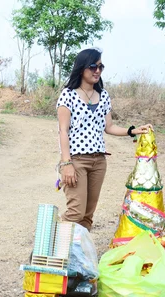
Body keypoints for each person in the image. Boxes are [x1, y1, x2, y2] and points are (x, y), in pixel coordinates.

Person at [56, 48, 152, 231]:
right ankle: (49, 248)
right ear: (81, 68)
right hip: (77, 160)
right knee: (75, 212)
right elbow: (63, 131)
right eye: (93, 66)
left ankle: (78, 257)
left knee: (86, 216)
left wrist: (133, 131)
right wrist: (66, 164)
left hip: (99, 161)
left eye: (100, 67)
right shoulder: (68, 95)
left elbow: (109, 127)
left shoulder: (104, 96)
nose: (97, 71)